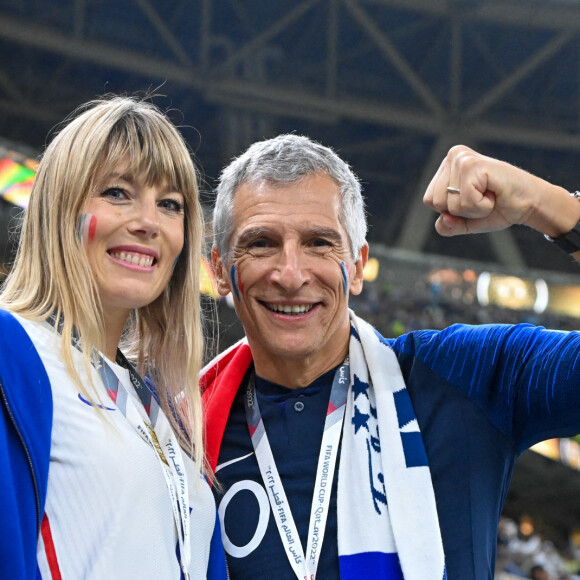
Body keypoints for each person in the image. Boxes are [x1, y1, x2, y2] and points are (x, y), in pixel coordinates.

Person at [201, 135, 580, 580]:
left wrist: (549, 208)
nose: (291, 274)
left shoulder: (462, 377)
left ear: (359, 266)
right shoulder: (176, 431)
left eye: (319, 243)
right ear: (221, 270)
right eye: (261, 243)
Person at [0, 96, 227, 579]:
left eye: (170, 205)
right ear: (60, 207)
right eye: (118, 193)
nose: (148, 222)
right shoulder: (11, 351)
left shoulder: (167, 409)